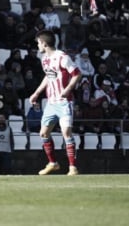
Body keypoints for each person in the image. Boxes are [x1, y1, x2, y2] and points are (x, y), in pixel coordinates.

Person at [29, 30, 82, 176]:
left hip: (64, 101)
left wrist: (68, 89)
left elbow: (77, 74)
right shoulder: (44, 58)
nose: (38, 45)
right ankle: (53, 163)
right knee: (44, 133)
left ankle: (73, 167)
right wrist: (36, 93)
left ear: (44, 43)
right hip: (51, 103)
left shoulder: (62, 57)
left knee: (66, 132)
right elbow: (48, 76)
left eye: (38, 43)